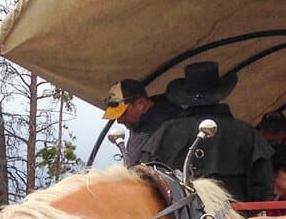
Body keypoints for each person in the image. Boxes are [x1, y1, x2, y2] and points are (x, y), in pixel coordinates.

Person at [142, 61, 274, 202]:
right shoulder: (247, 133)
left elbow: (146, 180)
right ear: (219, 93)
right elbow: (263, 186)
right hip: (234, 218)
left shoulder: (164, 133)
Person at [102, 78, 181, 168]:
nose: (119, 121)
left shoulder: (169, 124)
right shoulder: (137, 122)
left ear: (141, 104)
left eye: (123, 113)